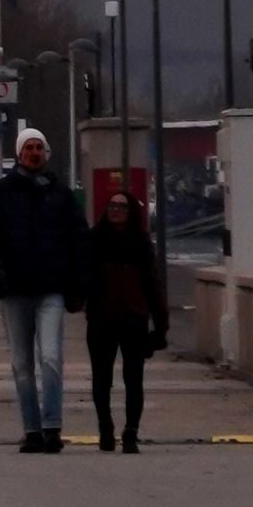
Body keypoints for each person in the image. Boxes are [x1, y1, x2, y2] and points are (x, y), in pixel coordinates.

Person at [0, 129, 90, 452]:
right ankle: (32, 429)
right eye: (29, 148)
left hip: (51, 289)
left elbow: (80, 239)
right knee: (22, 364)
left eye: (39, 147)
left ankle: (52, 427)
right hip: (14, 290)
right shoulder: (1, 193)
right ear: (20, 154)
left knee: (51, 358)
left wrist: (80, 284)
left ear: (46, 153)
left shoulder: (61, 195)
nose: (34, 153)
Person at [85, 187, 167, 452]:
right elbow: (82, 276)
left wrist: (161, 324)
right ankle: (105, 427)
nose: (116, 210)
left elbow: (153, 284)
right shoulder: (95, 239)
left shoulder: (141, 243)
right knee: (101, 377)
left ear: (131, 212)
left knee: (133, 378)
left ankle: (131, 431)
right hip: (101, 317)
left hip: (134, 317)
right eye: (112, 206)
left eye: (121, 206)